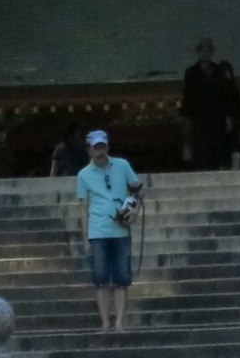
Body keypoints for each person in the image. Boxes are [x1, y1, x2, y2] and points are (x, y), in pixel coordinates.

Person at [76, 125, 146, 332]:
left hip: (121, 231)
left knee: (122, 279)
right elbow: (83, 206)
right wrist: (84, 235)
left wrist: (134, 211)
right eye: (96, 147)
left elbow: (138, 191)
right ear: (89, 149)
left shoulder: (122, 165)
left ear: (107, 147)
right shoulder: (83, 175)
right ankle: (105, 321)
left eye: (102, 147)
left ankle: (119, 322)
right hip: (98, 231)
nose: (100, 151)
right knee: (101, 279)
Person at [182, 35, 240, 171]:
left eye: (207, 50)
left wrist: (228, 116)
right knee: (202, 151)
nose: (205, 53)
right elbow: (188, 98)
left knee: (218, 149)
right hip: (199, 119)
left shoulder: (219, 71)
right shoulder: (191, 73)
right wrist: (187, 120)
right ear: (198, 52)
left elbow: (226, 96)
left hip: (217, 119)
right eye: (202, 50)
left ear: (211, 52)